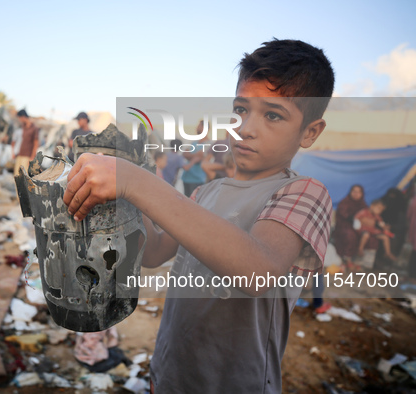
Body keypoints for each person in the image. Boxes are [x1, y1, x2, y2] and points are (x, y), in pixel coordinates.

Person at [62, 38, 335, 393]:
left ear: (310, 132)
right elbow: (156, 251)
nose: (246, 128)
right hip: (170, 371)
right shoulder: (206, 192)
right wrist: (125, 195)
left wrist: (136, 182)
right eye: (240, 110)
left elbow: (258, 271)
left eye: (272, 115)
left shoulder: (305, 193)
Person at [332, 185, 368, 267]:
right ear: (350, 192)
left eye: (358, 192)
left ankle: (363, 262)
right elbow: (344, 214)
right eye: (354, 191)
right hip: (344, 226)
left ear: (362, 194)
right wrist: (354, 219)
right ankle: (347, 259)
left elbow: (367, 216)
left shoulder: (363, 204)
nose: (356, 194)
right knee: (350, 235)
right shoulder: (344, 202)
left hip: (360, 227)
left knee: (368, 235)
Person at [180, 120, 208, 196]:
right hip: (186, 178)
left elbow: (201, 156)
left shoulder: (208, 143)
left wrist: (191, 155)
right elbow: (184, 154)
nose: (197, 128)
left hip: (198, 179)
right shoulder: (193, 142)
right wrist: (196, 155)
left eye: (199, 126)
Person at [13, 109, 39, 176]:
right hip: (20, 154)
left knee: (23, 176)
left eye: (20, 118)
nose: (19, 120)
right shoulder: (23, 126)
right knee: (16, 175)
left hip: (27, 156)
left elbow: (36, 144)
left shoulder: (34, 128)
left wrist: (32, 157)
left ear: (23, 117)